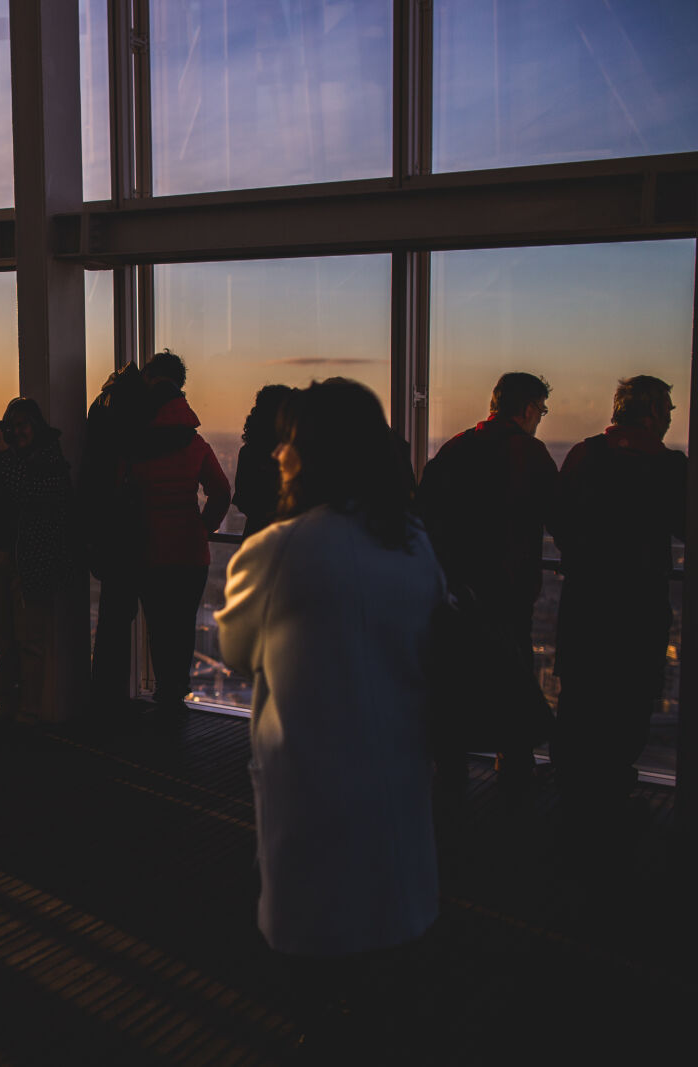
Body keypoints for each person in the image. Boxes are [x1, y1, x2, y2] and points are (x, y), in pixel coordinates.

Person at [214, 378, 441, 1052]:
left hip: (313, 796)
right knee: (386, 991)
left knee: (316, 994)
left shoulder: (282, 548)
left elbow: (235, 648)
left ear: (306, 453)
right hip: (399, 788)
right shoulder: (414, 542)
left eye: (289, 439)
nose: (279, 452)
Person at [551, 375, 685, 826]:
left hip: (586, 598)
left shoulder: (584, 455)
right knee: (629, 697)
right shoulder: (669, 467)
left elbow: (558, 517)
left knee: (582, 692)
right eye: (666, 411)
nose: (669, 419)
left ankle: (571, 788)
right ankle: (611, 790)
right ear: (650, 413)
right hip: (639, 603)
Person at [417, 372, 558, 792]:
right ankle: (513, 767)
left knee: (454, 678)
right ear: (529, 408)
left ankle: (450, 770)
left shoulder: (455, 448)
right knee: (511, 679)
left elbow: (423, 515)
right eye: (541, 411)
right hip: (506, 589)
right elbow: (560, 515)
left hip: (453, 588)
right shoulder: (528, 453)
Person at [90, 351, 231, 715]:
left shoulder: (127, 441)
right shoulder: (195, 443)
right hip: (188, 551)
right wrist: (202, 527)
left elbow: (111, 489)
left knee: (131, 627)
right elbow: (221, 492)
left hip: (141, 548)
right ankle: (171, 700)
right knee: (178, 631)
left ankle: (111, 704)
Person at [0, 397, 85, 725]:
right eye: (12, 426)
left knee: (30, 643)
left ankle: (28, 712)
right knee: (0, 640)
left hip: (34, 563)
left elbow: (27, 493)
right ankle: (2, 707)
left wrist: (4, 459)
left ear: (36, 427)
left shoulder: (50, 461)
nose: (17, 433)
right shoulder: (1, 457)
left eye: (23, 426)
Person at [232, 384, 294, 536]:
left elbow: (243, 500)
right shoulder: (295, 455)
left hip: (256, 532)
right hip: (289, 533)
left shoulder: (248, 452)